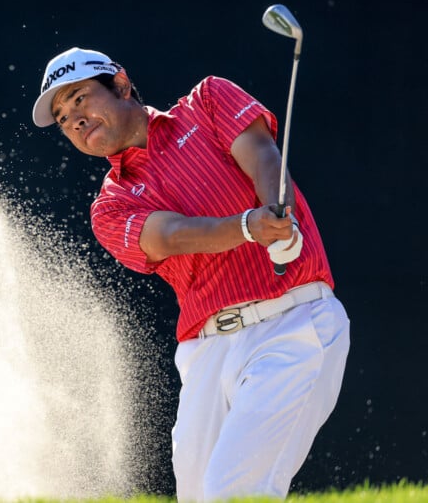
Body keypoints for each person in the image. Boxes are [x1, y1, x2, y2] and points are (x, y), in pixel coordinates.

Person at [31, 47, 350, 502]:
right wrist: (249, 227)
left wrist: (279, 219)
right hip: (206, 353)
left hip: (293, 325)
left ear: (121, 84)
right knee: (199, 496)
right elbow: (171, 236)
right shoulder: (109, 206)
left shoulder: (209, 100)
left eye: (80, 98)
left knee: (232, 491)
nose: (75, 121)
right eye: (63, 119)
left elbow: (263, 157)